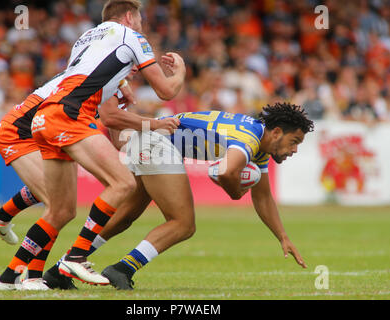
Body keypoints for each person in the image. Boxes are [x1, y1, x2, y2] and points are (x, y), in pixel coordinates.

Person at [0, 0, 186, 290]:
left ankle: (11, 275)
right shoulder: (132, 36)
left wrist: (121, 82)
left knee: (60, 211)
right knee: (123, 183)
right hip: (67, 115)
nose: (142, 26)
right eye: (141, 20)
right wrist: (180, 70)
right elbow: (166, 91)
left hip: (44, 117)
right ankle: (76, 255)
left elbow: (102, 104)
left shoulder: (85, 40)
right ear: (131, 17)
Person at [45, 102, 314, 290]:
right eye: (295, 142)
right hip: (155, 143)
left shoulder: (260, 146)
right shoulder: (249, 139)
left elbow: (263, 198)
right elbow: (226, 173)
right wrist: (234, 192)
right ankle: (123, 268)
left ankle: (62, 267)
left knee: (126, 216)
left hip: (150, 140)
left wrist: (283, 237)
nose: (294, 150)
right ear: (276, 132)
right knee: (183, 223)